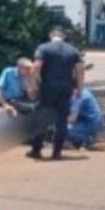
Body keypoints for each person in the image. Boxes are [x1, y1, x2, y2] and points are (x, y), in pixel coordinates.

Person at [29, 26, 84, 161]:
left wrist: (33, 84)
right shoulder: (73, 50)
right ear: (64, 36)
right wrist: (79, 88)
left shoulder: (43, 48)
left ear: (51, 35)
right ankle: (57, 152)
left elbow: (36, 66)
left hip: (48, 86)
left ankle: (36, 150)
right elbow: (80, 70)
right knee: (62, 120)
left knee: (42, 118)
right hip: (66, 87)